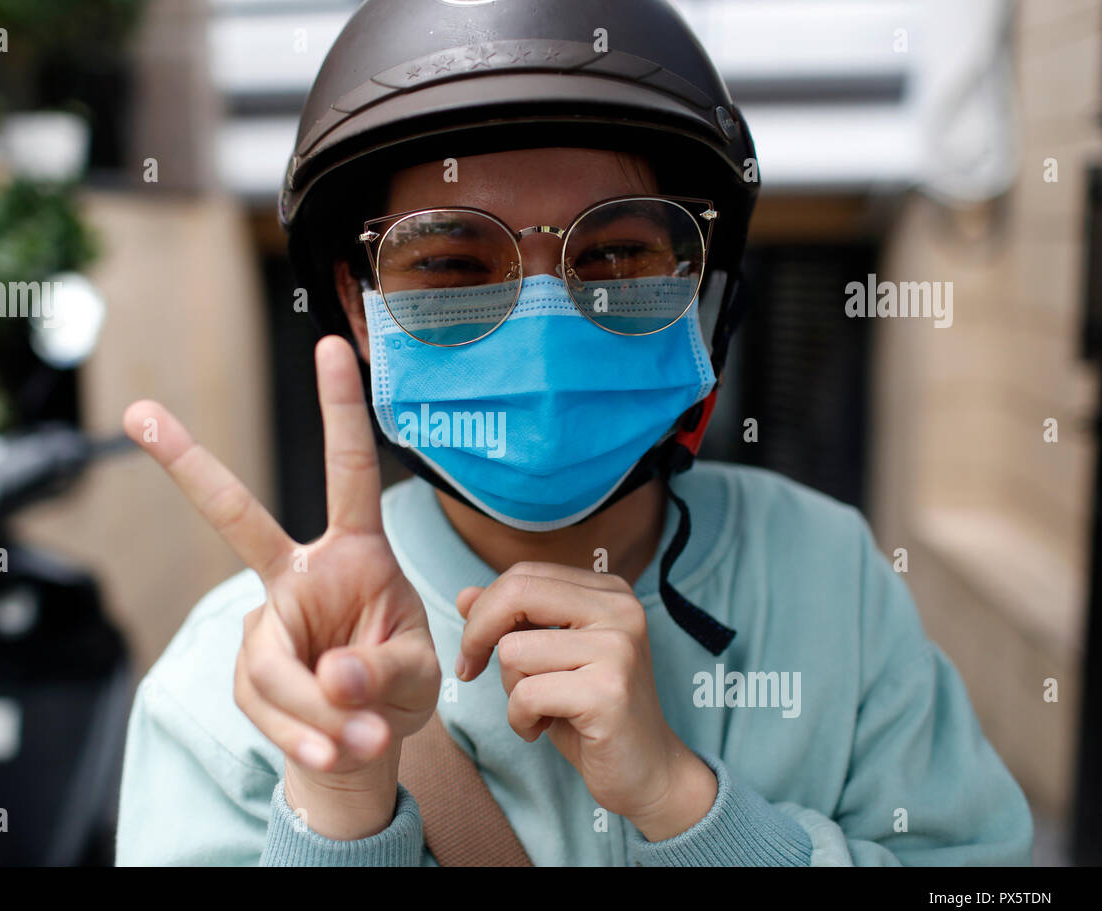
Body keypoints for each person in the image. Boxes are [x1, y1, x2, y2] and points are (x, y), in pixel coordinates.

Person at [114, 0, 1032, 866]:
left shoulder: (835, 581)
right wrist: (338, 799)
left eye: (617, 253)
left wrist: (688, 806)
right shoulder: (244, 677)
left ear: (700, 289)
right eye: (451, 263)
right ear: (360, 305)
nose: (544, 328)